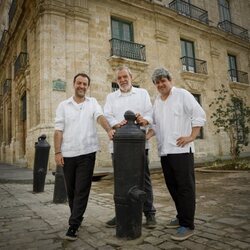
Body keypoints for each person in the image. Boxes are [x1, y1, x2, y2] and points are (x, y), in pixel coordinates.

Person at [147, 67, 206, 241]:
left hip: (181, 151)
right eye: (157, 82)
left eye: (163, 81)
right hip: (165, 152)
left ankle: (188, 225)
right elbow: (156, 126)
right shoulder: (157, 101)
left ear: (170, 80)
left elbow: (199, 114)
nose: (160, 84)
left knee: (185, 188)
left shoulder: (182, 95)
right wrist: (146, 136)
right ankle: (181, 216)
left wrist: (192, 136)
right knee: (173, 187)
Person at [54, 73, 115, 241]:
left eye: (85, 84)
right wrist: (57, 152)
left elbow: (100, 117)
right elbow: (58, 130)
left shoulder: (93, 103)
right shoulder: (63, 105)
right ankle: (78, 217)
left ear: (88, 86)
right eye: (79, 83)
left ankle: (73, 224)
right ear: (73, 84)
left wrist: (109, 129)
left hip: (87, 153)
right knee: (71, 190)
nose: (81, 86)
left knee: (82, 189)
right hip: (68, 153)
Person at [104, 65, 157, 229]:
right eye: (119, 78)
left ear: (131, 77)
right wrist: (115, 123)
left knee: (144, 179)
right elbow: (107, 115)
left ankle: (149, 213)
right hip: (118, 146)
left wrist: (144, 120)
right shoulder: (111, 97)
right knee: (120, 181)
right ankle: (122, 212)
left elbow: (150, 113)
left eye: (124, 77)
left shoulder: (142, 94)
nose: (122, 80)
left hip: (138, 145)